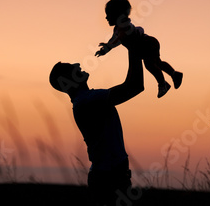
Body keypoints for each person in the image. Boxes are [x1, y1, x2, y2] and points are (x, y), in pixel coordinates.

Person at [49, 48, 144, 206]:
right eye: (70, 67)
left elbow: (135, 86)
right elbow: (134, 86)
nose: (77, 64)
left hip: (109, 176)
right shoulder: (88, 101)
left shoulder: (88, 99)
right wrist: (133, 46)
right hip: (110, 179)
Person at [95, 0, 183, 98]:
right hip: (142, 49)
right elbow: (114, 40)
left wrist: (109, 46)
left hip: (148, 44)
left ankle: (172, 76)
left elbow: (120, 38)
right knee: (151, 65)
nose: (106, 17)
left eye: (108, 14)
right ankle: (164, 82)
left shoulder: (125, 25)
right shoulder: (117, 29)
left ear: (117, 14)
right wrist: (106, 48)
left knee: (155, 63)